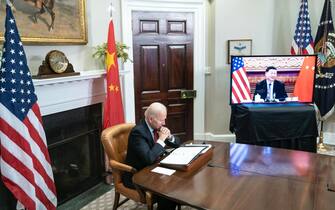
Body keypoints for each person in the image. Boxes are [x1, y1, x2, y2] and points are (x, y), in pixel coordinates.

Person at [122, 102, 180, 210]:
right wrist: (161, 140)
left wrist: (170, 136)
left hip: (153, 168)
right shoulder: (138, 133)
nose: (164, 123)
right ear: (150, 119)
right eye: (162, 120)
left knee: (176, 182)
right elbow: (149, 158)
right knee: (167, 193)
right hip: (137, 174)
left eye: (164, 119)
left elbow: (177, 144)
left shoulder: (155, 126)